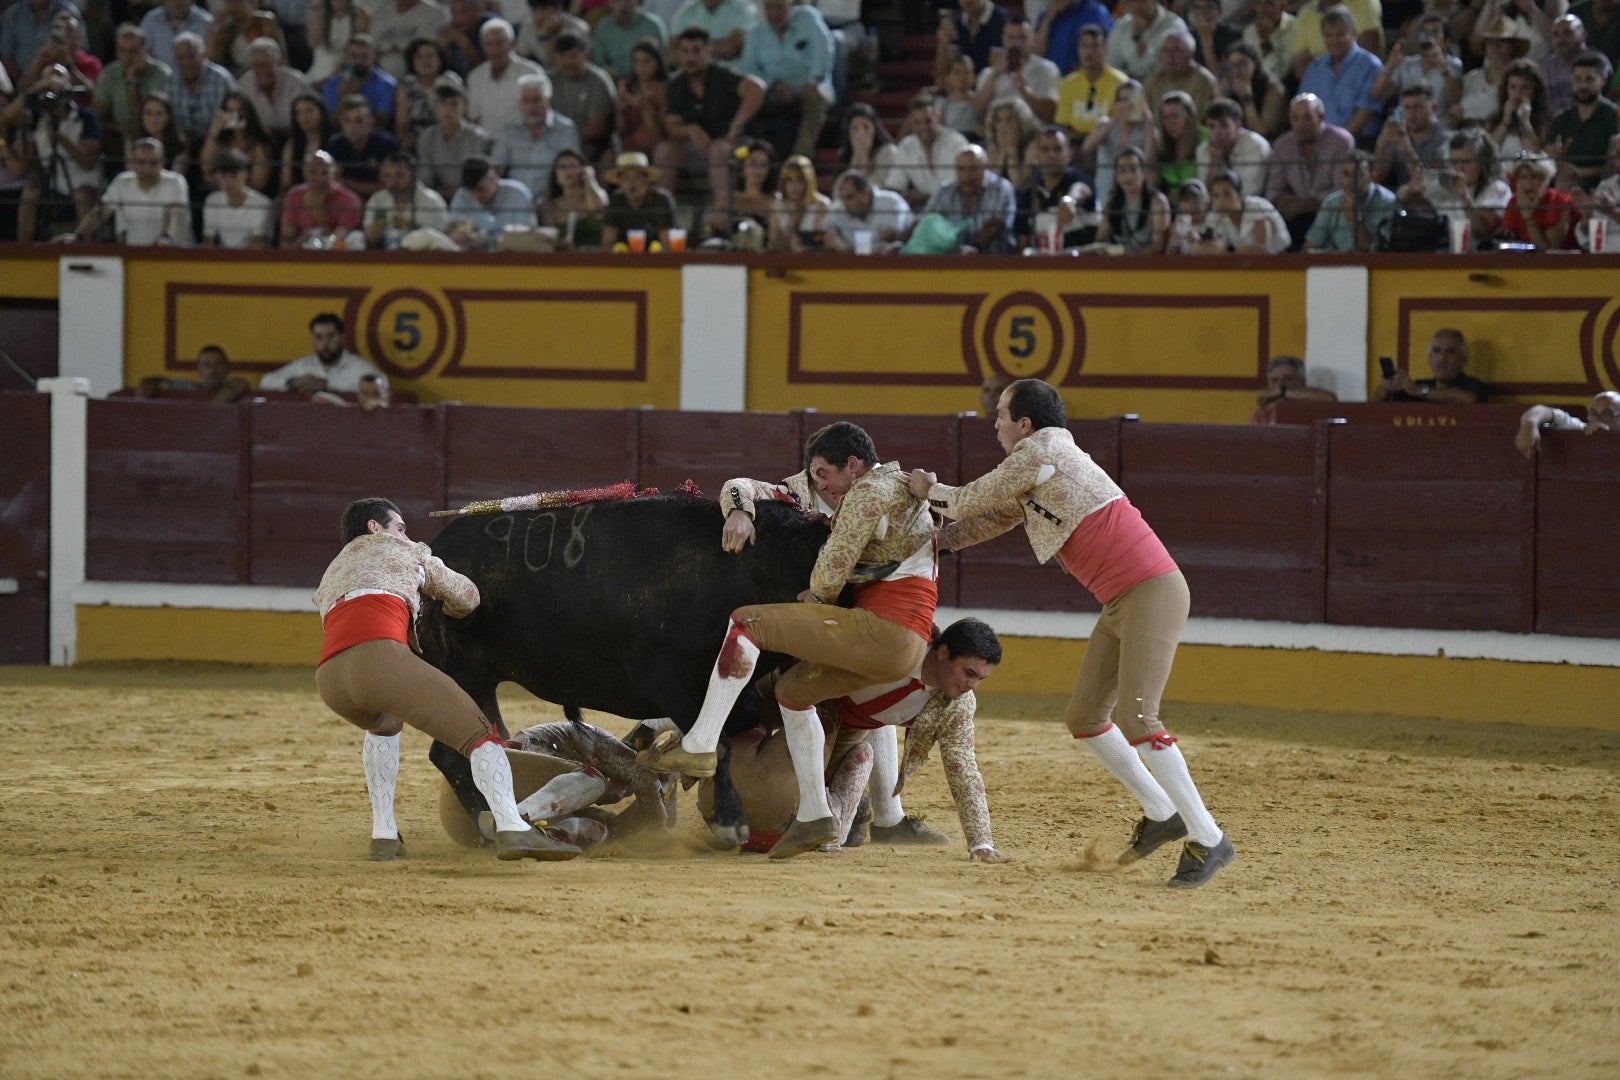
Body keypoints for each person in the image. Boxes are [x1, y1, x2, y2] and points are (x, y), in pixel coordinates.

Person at [907, 379, 1235, 888]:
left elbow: (969, 500)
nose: (993, 423)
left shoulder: (1043, 449)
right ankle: (1162, 812)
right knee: (1084, 717)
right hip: (1121, 600)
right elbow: (991, 518)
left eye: (1000, 415)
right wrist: (934, 543)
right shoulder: (1043, 463)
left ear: (1025, 424)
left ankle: (1209, 837)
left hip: (1150, 591)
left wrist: (929, 491)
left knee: (1139, 716)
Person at [637, 421, 940, 861]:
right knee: (795, 694)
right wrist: (739, 510)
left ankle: (882, 812)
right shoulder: (815, 491)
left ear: (851, 466)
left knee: (752, 636)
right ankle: (822, 814)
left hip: (848, 620)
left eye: (823, 473)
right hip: (846, 628)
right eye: (815, 474)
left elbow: (836, 567)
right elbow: (739, 485)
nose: (821, 483)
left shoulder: (869, 493)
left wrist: (818, 595)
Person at [312, 496, 578, 862]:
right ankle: (513, 829)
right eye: (400, 527)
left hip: (330, 679)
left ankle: (384, 835)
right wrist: (448, 608)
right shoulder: (405, 552)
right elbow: (466, 595)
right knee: (479, 734)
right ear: (375, 528)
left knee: (385, 725)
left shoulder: (334, 569)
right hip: (379, 661)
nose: (406, 535)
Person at [710, 618, 1008, 860]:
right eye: (969, 673)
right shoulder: (893, 641)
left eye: (981, 679)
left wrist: (980, 841)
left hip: (840, 725)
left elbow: (963, 767)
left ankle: (870, 820)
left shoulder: (955, 705)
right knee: (721, 715)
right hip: (793, 685)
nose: (972, 686)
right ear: (943, 653)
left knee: (857, 752)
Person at [655, 26, 766, 196]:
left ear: (709, 52)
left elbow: (757, 88)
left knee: (718, 149)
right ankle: (663, 214)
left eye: (696, 51)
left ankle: (721, 215)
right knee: (664, 151)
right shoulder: (676, 85)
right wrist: (691, 130)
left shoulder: (722, 76)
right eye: (685, 51)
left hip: (736, 146)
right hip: (698, 148)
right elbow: (671, 127)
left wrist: (737, 124)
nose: (690, 57)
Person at [14, 63, 101, 242]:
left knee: (81, 195)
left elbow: (88, 162)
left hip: (83, 179)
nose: (55, 84)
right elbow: (7, 118)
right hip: (53, 181)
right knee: (30, 192)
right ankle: (23, 250)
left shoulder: (86, 117)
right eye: (50, 80)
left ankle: (88, 248)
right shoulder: (38, 117)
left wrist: (61, 138)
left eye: (60, 79)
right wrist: (37, 88)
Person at [738, 0, 832, 160]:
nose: (774, 13)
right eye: (769, 8)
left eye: (779, 7)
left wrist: (814, 79)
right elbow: (748, 69)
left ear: (791, 4)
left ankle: (798, 161)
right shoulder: (756, 33)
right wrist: (772, 84)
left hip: (810, 87)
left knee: (819, 100)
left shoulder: (808, 19)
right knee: (747, 100)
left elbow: (825, 50)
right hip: (773, 93)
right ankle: (755, 159)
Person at [1398, 129, 1511, 247]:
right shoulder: (1443, 186)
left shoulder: (1497, 189)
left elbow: (1482, 232)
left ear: (1482, 163)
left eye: (1466, 162)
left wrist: (1464, 197)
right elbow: (1401, 194)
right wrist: (1413, 188)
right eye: (1454, 162)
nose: (1459, 168)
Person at [1267, 92, 1353, 246]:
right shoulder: (1282, 145)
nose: (1301, 124)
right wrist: (1302, 204)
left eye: (1307, 117)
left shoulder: (1341, 142)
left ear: (1321, 117)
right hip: (1295, 218)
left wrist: (1302, 205)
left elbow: (1341, 191)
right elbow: (1273, 193)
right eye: (1295, 118)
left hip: (1332, 215)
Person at [81, 134, 188, 244]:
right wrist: (78, 235)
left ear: (163, 162)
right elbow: (100, 213)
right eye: (141, 162)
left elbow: (172, 215)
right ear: (133, 162)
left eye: (153, 163)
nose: (147, 168)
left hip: (174, 254)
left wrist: (166, 237)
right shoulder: (122, 182)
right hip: (136, 255)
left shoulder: (175, 181)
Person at [1296, 6, 1381, 145]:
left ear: (1353, 34)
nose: (1334, 41)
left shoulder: (1371, 66)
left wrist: (1336, 144)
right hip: (1317, 143)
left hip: (1358, 143)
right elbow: (1302, 108)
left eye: (1340, 35)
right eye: (1329, 35)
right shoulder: (1315, 68)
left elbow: (1365, 114)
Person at [491, 71, 580, 202]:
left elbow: (572, 171)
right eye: (526, 101)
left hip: (553, 201)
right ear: (519, 102)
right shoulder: (509, 130)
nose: (532, 107)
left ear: (548, 100)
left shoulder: (565, 129)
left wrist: (548, 199)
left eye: (537, 100)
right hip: (514, 201)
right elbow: (497, 169)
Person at [913, 143, 1018, 253]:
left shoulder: (1001, 188)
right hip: (950, 260)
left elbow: (996, 225)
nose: (967, 176)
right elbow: (926, 219)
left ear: (984, 167)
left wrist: (973, 248)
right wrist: (901, 242)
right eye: (961, 169)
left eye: (973, 168)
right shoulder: (947, 189)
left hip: (995, 260)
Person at [94, 24, 173, 157]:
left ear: (145, 51)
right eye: (122, 51)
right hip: (118, 137)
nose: (127, 57)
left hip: (157, 135)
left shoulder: (162, 74)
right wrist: (117, 127)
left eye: (133, 51)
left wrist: (132, 83)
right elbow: (97, 115)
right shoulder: (110, 73)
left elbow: (143, 122)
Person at [879, 90, 970, 205]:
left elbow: (962, 186)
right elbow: (894, 187)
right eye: (917, 123)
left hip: (957, 207)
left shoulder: (957, 143)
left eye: (927, 121)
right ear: (911, 124)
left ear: (938, 118)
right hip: (925, 212)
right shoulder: (906, 147)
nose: (923, 127)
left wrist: (921, 198)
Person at [261, 312, 390, 394]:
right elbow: (266, 382)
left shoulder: (357, 366)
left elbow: (382, 385)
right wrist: (293, 383)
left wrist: (328, 384)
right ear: (313, 339)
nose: (324, 344)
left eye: (331, 336)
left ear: (342, 337)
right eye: (319, 337)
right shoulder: (305, 365)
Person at [1548, 50, 1619, 190]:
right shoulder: (1561, 119)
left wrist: (1579, 172)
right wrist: (1556, 160)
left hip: (1604, 187)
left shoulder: (1614, 116)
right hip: (1564, 181)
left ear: (1603, 80)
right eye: (1578, 79)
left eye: (1589, 79)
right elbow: (1547, 156)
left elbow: (1615, 165)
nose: (1583, 86)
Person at [973, 15, 1061, 127]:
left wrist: (1024, 90)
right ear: (1003, 39)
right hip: (999, 135)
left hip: (1035, 133)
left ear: (1033, 39)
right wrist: (995, 75)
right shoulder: (989, 73)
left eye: (1022, 38)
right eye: (1011, 37)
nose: (1016, 43)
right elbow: (978, 113)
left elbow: (1051, 115)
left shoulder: (1047, 70)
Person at [1017, 125, 1096, 249]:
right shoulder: (1030, 193)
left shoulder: (1081, 178)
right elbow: (1023, 240)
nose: (1051, 154)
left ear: (1069, 154)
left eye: (1058, 149)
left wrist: (1069, 201)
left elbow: (1081, 189)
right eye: (1045, 149)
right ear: (1038, 155)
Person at [1303, 148, 1395, 252]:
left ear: (1372, 177)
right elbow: (1309, 247)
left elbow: (1378, 253)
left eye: (1357, 175)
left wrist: (1356, 219)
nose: (1350, 181)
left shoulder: (1388, 202)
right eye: (1346, 174)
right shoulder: (1332, 203)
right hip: (1338, 265)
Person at [1371, 12, 1462, 115]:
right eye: (1424, 33)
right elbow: (1378, 94)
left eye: (1435, 33)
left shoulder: (1453, 64)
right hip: (1406, 125)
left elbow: (1456, 98)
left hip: (1438, 124)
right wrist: (1391, 64)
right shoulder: (1406, 63)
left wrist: (1442, 65)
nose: (1429, 38)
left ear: (1446, 41)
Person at [1083, 77, 1154, 203]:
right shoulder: (1105, 125)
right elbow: (1087, 148)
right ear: (1116, 103)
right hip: (1106, 190)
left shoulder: (1146, 130)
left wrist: (1148, 122)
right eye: (1124, 100)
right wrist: (1115, 118)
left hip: (1134, 192)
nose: (1130, 104)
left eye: (1134, 99)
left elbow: (1149, 163)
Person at [416, 76, 490, 197]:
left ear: (465, 108)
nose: (448, 109)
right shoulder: (426, 137)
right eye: (443, 103)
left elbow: (477, 179)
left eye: (454, 104)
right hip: (436, 198)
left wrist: (450, 193)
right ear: (436, 107)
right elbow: (425, 178)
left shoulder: (478, 137)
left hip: (472, 198)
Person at [1372, 82, 1452, 191]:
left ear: (1434, 107)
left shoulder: (1446, 140)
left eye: (1417, 107)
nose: (1411, 114)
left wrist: (1407, 153)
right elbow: (1377, 179)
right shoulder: (1397, 134)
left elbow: (1431, 187)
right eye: (1407, 108)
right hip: (1401, 202)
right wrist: (1382, 144)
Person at [1371, 328, 1489, 403]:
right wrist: (1386, 389)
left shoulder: (1474, 385)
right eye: (1437, 351)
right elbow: (1371, 410)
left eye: (1450, 352)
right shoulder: (1418, 385)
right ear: (1430, 358)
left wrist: (1419, 391)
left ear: (1462, 359)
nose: (1442, 358)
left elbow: (1467, 399)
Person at [466, 19, 542, 133]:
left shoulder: (531, 72)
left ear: (512, 43)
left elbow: (541, 114)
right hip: (487, 145)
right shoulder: (475, 77)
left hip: (523, 144)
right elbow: (475, 118)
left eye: (500, 42)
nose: (495, 49)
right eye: (489, 44)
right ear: (483, 47)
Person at [548, 34, 615, 161]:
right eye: (563, 57)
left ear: (585, 55)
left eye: (573, 56)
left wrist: (565, 140)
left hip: (591, 142)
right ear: (556, 58)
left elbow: (596, 128)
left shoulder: (598, 81)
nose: (568, 62)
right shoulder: (549, 80)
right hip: (554, 140)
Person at [447, 152, 537, 246]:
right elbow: (453, 228)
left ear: (494, 178)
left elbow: (529, 235)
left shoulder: (518, 194)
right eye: (471, 191)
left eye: (481, 189)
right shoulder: (462, 195)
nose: (475, 196)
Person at [363, 149, 450, 244]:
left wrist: (411, 225)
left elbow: (443, 237)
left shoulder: (432, 201)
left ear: (414, 176)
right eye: (387, 176)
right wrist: (372, 234)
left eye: (399, 175)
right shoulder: (377, 199)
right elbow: (368, 232)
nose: (393, 182)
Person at [1055, 23, 1126, 138]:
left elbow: (1121, 125)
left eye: (1095, 46)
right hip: (1075, 142)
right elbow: (1062, 125)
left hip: (1107, 143)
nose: (1089, 52)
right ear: (1078, 49)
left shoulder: (1120, 83)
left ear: (1106, 50)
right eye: (1085, 46)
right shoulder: (1068, 84)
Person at [1096, 143, 1170, 251]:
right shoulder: (1112, 201)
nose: (1128, 176)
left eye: (1133, 169)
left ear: (1144, 172)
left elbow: (1158, 247)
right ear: (1116, 176)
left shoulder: (1157, 202)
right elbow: (1100, 239)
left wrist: (1129, 258)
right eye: (1122, 170)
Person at [166, 30, 234, 143]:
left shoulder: (221, 79)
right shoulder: (171, 81)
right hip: (182, 143)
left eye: (191, 56)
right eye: (181, 58)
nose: (187, 62)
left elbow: (234, 118)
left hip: (219, 142)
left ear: (203, 54)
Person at [821, 167, 912, 250]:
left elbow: (893, 234)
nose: (845, 203)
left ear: (866, 194)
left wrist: (852, 250)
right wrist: (836, 241)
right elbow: (827, 231)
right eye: (843, 198)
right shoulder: (839, 207)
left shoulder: (891, 202)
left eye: (850, 197)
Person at [1198, 169, 1289, 252]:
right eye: (1216, 196)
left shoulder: (1257, 207)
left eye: (1227, 194)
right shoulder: (1214, 216)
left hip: (1282, 261)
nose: (1221, 201)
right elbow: (1211, 248)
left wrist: (1227, 249)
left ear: (1240, 195)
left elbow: (1263, 249)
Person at [1501, 151, 1577, 248]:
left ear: (1546, 180)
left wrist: (1528, 218)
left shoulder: (1561, 202)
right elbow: (1508, 244)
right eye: (1523, 177)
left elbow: (1548, 249)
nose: (1529, 183)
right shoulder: (1514, 202)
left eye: (1534, 177)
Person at [327, 94, 399, 197]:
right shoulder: (336, 144)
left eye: (358, 121)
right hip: (345, 202)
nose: (352, 127)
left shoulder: (386, 144)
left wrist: (348, 183)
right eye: (347, 120)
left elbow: (388, 186)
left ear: (371, 121)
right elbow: (331, 183)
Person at [600, 148, 676, 246]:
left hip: (655, 259)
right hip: (623, 259)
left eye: (637, 177)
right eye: (625, 178)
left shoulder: (661, 200)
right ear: (619, 182)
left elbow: (668, 246)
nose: (631, 183)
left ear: (647, 179)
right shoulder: (616, 200)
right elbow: (607, 245)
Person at [1197, 96, 1269, 195]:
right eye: (1211, 126)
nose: (1216, 132)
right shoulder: (1202, 150)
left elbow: (1248, 193)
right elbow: (1203, 195)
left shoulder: (1256, 147)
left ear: (1238, 126)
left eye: (1223, 125)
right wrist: (1215, 162)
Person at [237, 37, 308, 139]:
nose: (262, 71)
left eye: (267, 65)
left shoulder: (296, 82)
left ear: (280, 64)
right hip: (259, 141)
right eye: (257, 65)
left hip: (295, 138)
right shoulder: (244, 84)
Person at [201, 146, 273, 246]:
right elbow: (209, 240)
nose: (228, 182)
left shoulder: (260, 203)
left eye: (233, 176)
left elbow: (258, 242)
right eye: (223, 176)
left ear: (245, 176)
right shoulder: (212, 201)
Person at [321, 34, 398, 126]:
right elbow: (329, 123)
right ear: (346, 57)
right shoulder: (333, 84)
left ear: (374, 57)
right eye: (354, 56)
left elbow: (381, 123)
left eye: (364, 56)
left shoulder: (387, 84)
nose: (359, 61)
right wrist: (343, 99)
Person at [1515, 390, 1620, 455]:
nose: (1597, 420)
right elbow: (1543, 410)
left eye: (1607, 414)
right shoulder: (1580, 430)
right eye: (1593, 414)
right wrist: (1530, 423)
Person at [1217, 41, 1286, 139]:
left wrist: (1247, 99)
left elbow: (1262, 134)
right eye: (1232, 65)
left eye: (1242, 64)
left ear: (1255, 63)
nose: (1237, 71)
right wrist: (1220, 97)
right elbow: (1218, 124)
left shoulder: (1273, 89)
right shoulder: (1228, 83)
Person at [1143, 29, 1216, 121]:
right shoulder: (1154, 78)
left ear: (1191, 54)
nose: (1169, 56)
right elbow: (1144, 115)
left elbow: (1196, 120)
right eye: (1165, 50)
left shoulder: (1203, 81)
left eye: (1177, 50)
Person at [542, 147, 609, 247]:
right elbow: (548, 240)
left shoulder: (596, 195)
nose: (568, 171)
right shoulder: (552, 206)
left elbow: (597, 207)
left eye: (573, 166)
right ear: (556, 176)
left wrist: (589, 179)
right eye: (563, 167)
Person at [1106, 0, 1187, 82]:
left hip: (1165, 85)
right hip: (1125, 87)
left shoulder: (1174, 26)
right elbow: (1111, 65)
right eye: (1131, 1)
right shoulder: (1121, 26)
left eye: (1143, 1)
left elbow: (1169, 68)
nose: (1137, 5)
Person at [394, 36, 451, 149]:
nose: (425, 61)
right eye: (419, 57)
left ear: (440, 59)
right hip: (414, 144)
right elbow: (401, 124)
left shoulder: (450, 82)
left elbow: (454, 120)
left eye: (430, 56)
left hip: (445, 143)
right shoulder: (406, 85)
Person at [1487, 57, 1551, 159]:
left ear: (1535, 91)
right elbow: (1488, 152)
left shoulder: (1544, 119)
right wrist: (1505, 122)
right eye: (1513, 87)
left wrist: (1525, 122)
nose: (1518, 93)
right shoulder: (1495, 119)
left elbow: (1539, 153)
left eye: (1525, 87)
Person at [138, 344, 250, 401]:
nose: (213, 370)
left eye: (218, 364)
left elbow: (240, 383)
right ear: (198, 371)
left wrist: (215, 404)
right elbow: (148, 383)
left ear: (227, 368)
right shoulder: (187, 386)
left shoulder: (235, 384)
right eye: (207, 365)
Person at [368, 0, 449, 79]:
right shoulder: (383, 7)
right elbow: (373, 42)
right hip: (377, 74)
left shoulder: (434, 12)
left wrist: (392, 48)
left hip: (413, 76)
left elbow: (424, 48)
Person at [614, 38, 667, 156]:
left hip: (657, 146)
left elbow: (660, 136)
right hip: (630, 146)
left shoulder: (666, 89)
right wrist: (621, 111)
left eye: (647, 61)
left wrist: (645, 109)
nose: (641, 67)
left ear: (658, 62)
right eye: (636, 62)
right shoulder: (627, 87)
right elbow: (622, 130)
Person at [1033, 0, 1114, 76]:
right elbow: (1037, 54)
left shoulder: (1095, 12)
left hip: (1082, 80)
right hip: (1049, 80)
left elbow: (1100, 55)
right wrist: (1048, 17)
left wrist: (1070, 80)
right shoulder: (1045, 14)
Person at [592, 0, 667, 81]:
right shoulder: (604, 27)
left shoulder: (652, 25)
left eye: (628, 0)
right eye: (616, 1)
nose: (623, 5)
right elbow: (598, 63)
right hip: (614, 83)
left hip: (648, 81)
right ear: (609, 2)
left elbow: (663, 63)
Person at [769, 151, 830, 251]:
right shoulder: (776, 204)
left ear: (808, 181)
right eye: (789, 180)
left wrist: (803, 244)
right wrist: (791, 225)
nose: (794, 186)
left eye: (800, 180)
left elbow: (822, 239)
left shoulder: (822, 204)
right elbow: (772, 243)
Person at [1249, 354, 1337, 423]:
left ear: (1302, 382)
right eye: (1274, 380)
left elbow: (1329, 399)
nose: (1280, 384)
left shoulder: (1312, 410)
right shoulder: (1263, 416)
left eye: (1287, 379)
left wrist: (1283, 392)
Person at [280, 89, 336, 191]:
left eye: (309, 111)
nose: (303, 117)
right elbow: (286, 183)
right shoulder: (291, 145)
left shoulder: (334, 142)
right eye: (298, 113)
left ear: (321, 112)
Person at [936, 0, 1008, 77]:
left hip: (992, 84)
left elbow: (998, 72)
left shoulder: (1003, 21)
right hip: (966, 82)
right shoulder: (957, 24)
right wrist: (943, 44)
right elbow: (943, 73)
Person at [305, 0, 370, 86]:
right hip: (318, 70)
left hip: (346, 73)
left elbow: (358, 51)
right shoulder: (318, 12)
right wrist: (316, 8)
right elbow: (312, 43)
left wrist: (329, 80)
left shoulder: (361, 14)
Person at [982, 95, 1040, 190]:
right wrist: (1002, 151)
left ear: (1021, 121)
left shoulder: (1034, 144)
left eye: (1009, 119)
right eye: (999, 120)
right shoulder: (993, 148)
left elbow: (1018, 184)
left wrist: (1012, 149)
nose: (1004, 125)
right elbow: (990, 186)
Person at [1154, 88, 1204, 189]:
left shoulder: (1206, 138)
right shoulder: (1160, 144)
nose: (1170, 122)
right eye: (1165, 117)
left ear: (1189, 117)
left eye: (1175, 116)